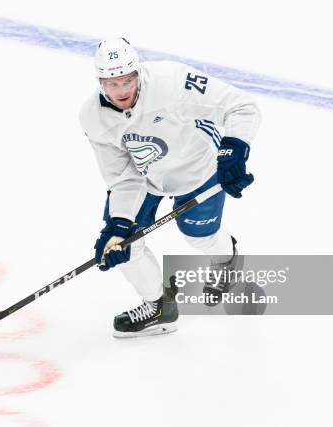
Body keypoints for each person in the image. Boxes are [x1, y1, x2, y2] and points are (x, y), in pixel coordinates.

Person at [79, 38, 261, 338]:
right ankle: (159, 307)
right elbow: (122, 176)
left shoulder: (172, 82)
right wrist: (120, 222)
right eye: (112, 84)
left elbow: (242, 107)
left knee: (199, 236)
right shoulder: (92, 117)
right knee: (122, 244)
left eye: (128, 80)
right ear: (100, 82)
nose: (122, 90)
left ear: (138, 73)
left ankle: (227, 260)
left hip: (197, 168)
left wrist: (233, 152)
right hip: (145, 178)